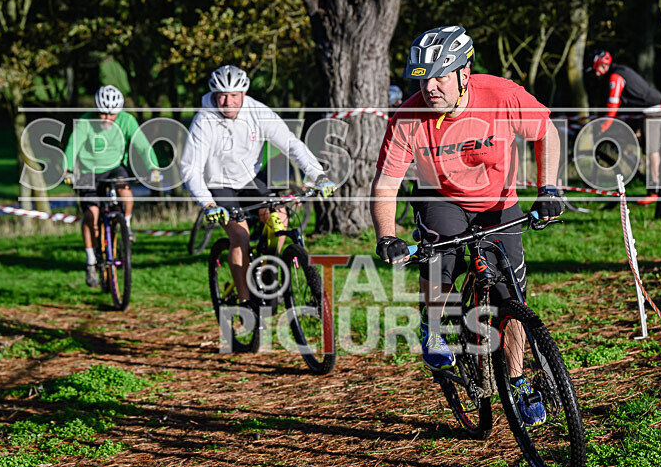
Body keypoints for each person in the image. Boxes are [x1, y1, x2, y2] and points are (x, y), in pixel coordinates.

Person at [370, 26, 563, 427]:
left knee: (512, 301)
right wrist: (386, 235)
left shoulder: (501, 94)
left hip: (499, 204)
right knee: (439, 255)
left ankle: (517, 379)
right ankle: (435, 325)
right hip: (441, 197)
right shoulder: (408, 117)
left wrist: (548, 188)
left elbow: (547, 133)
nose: (431, 87)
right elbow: (386, 184)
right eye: (424, 77)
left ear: (465, 70)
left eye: (442, 75)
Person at [180, 65, 335, 308]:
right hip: (218, 183)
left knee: (280, 217)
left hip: (250, 178)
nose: (228, 102)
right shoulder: (204, 120)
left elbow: (291, 145)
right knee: (240, 235)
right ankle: (245, 301)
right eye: (222, 95)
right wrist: (208, 203)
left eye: (234, 96)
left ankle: (267, 270)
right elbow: (191, 168)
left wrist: (318, 175)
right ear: (213, 94)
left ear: (244, 93)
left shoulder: (258, 112)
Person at [63, 85, 161, 287]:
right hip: (87, 170)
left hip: (114, 167)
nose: (107, 118)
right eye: (103, 113)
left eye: (112, 114)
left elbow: (142, 145)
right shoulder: (85, 122)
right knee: (91, 215)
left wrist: (153, 167)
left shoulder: (127, 120)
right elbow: (73, 145)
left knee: (126, 193)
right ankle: (91, 261)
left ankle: (126, 224)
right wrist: (68, 169)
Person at [586, 50, 661, 204]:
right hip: (640, 112)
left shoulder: (616, 76)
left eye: (595, 69)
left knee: (652, 150)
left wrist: (604, 125)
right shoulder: (615, 72)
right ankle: (633, 154)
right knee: (628, 135)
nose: (595, 74)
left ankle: (654, 191)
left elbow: (612, 104)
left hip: (652, 110)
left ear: (601, 66)